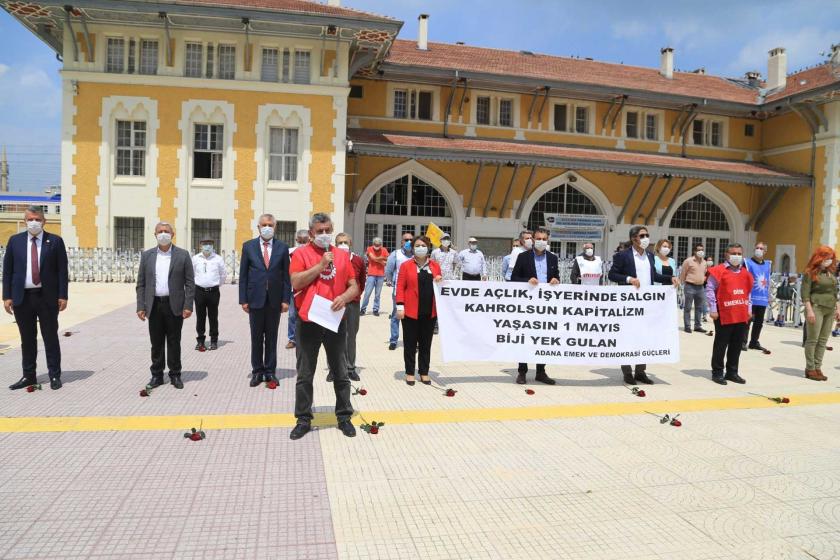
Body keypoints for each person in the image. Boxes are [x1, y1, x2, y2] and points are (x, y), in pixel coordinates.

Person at [289, 213, 359, 440]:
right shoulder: (301, 254)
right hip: (308, 321)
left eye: (327, 229)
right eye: (319, 231)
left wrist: (345, 298)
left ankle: (344, 416)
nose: (324, 234)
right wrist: (320, 266)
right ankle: (303, 419)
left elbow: (353, 286)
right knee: (305, 373)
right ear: (310, 233)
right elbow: (296, 282)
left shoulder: (341, 255)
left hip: (334, 320)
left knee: (340, 371)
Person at [3, 206, 69, 390]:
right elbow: (8, 270)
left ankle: (54, 375)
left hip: (47, 297)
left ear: (44, 221)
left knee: (50, 337)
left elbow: (62, 270)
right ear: (25, 221)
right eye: (30, 219)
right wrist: (6, 296)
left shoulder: (55, 242)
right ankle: (29, 375)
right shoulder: (15, 241)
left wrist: (63, 295)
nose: (34, 222)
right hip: (22, 297)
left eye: (38, 219)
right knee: (27, 338)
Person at [608, 225, 679, 385]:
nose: (646, 238)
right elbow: (612, 274)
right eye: (643, 235)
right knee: (628, 338)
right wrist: (629, 279)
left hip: (647, 305)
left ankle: (640, 371)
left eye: (647, 235)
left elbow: (654, 276)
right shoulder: (622, 256)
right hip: (629, 305)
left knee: (644, 337)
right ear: (634, 238)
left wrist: (670, 279)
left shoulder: (650, 256)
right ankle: (627, 372)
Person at [136, 222, 194, 390]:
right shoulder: (147, 256)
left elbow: (190, 283)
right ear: (155, 234)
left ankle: (175, 374)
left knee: (174, 341)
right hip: (154, 305)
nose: (163, 234)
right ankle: (157, 375)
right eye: (160, 231)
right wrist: (141, 306)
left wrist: (188, 305)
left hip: (174, 305)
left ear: (172, 234)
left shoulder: (182, 255)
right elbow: (141, 283)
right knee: (156, 342)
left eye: (166, 231)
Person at [239, 214, 290, 387]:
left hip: (275, 301)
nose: (267, 227)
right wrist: (243, 299)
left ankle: (270, 372)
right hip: (255, 299)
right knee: (256, 337)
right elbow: (243, 275)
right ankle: (257, 372)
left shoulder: (283, 248)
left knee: (272, 338)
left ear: (275, 227)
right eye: (264, 225)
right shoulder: (248, 247)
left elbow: (286, 277)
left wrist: (286, 299)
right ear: (258, 227)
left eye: (270, 225)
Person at [511, 227, 560, 385]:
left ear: (548, 241)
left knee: (543, 338)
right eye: (538, 238)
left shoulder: (553, 258)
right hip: (528, 304)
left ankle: (541, 371)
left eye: (544, 239)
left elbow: (556, 276)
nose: (541, 241)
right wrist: (527, 280)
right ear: (532, 239)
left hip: (545, 305)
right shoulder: (523, 257)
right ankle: (522, 371)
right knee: (525, 337)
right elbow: (514, 278)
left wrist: (556, 280)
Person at [396, 236, 443, 386]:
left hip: (429, 312)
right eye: (417, 245)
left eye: (423, 245)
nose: (420, 247)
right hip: (410, 312)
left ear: (428, 247)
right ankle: (410, 372)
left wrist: (439, 280)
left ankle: (424, 372)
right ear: (413, 248)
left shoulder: (435, 266)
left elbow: (441, 286)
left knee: (425, 344)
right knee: (410, 344)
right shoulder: (406, 265)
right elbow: (400, 287)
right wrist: (400, 306)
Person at [706, 243, 753, 385]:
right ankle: (717, 372)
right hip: (723, 313)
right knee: (721, 344)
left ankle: (732, 372)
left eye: (739, 253)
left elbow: (748, 293)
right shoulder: (718, 271)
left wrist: (749, 310)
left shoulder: (746, 273)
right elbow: (709, 290)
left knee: (737, 345)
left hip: (740, 313)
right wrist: (713, 309)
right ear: (726, 254)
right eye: (733, 253)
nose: (736, 256)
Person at [329, 232, 365, 382]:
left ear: (350, 244)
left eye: (345, 242)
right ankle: (333, 369)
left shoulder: (357, 260)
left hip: (352, 304)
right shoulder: (330, 259)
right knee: (332, 336)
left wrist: (354, 295)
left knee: (351, 336)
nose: (342, 245)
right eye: (339, 242)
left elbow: (362, 281)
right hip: (334, 303)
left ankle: (350, 367)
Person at [801, 246, 840, 381]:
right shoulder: (810, 273)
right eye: (827, 258)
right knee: (813, 339)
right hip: (816, 307)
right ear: (819, 258)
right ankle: (810, 368)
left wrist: (838, 308)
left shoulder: (830, 274)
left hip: (830, 308)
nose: (829, 261)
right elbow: (805, 294)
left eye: (831, 258)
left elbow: (835, 292)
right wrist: (809, 310)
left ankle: (818, 367)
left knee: (823, 340)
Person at [192, 238, 226, 351]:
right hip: (199, 291)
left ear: (213, 246)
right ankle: (200, 341)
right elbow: (191, 274)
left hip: (213, 292)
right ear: (200, 245)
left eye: (209, 244)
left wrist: (215, 285)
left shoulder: (218, 259)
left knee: (213, 317)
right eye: (205, 244)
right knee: (200, 317)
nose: (207, 246)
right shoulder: (196, 258)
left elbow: (223, 275)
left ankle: (214, 340)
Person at [385, 232, 414, 350]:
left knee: (412, 317)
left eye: (411, 240)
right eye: (406, 240)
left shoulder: (416, 255)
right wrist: (392, 282)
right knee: (396, 315)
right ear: (401, 241)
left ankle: (411, 340)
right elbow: (389, 270)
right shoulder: (395, 254)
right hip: (399, 291)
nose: (408, 242)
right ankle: (393, 340)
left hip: (413, 292)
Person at [743, 242, 772, 353]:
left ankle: (754, 342)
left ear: (765, 251)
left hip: (762, 298)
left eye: (761, 248)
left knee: (759, 323)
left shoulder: (768, 264)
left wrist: (768, 295)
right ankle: (742, 342)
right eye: (757, 248)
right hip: (750, 297)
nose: (759, 250)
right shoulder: (747, 263)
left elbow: (767, 280)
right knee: (747, 321)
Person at [286, 229, 309, 350]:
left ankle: (306, 338)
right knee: (292, 315)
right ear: (296, 240)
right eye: (300, 241)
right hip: (292, 289)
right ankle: (292, 338)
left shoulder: (311, 252)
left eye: (305, 241)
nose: (302, 244)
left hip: (307, 289)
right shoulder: (289, 252)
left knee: (306, 314)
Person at [679, 243, 708, 334]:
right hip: (690, 286)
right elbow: (683, 273)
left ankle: (697, 326)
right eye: (699, 250)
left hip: (700, 287)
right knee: (687, 307)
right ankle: (687, 326)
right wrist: (681, 285)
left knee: (699, 307)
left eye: (702, 250)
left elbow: (705, 273)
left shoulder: (704, 262)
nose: (701, 252)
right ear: (694, 251)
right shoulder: (688, 261)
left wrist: (703, 280)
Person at [360, 236, 388, 316]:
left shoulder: (384, 250)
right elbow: (374, 259)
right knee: (367, 293)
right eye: (375, 244)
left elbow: (386, 261)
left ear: (381, 244)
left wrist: (376, 259)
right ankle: (363, 309)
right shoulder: (369, 248)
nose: (377, 246)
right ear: (373, 244)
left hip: (381, 275)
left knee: (377, 294)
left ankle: (376, 309)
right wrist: (381, 259)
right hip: (371, 274)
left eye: (378, 245)